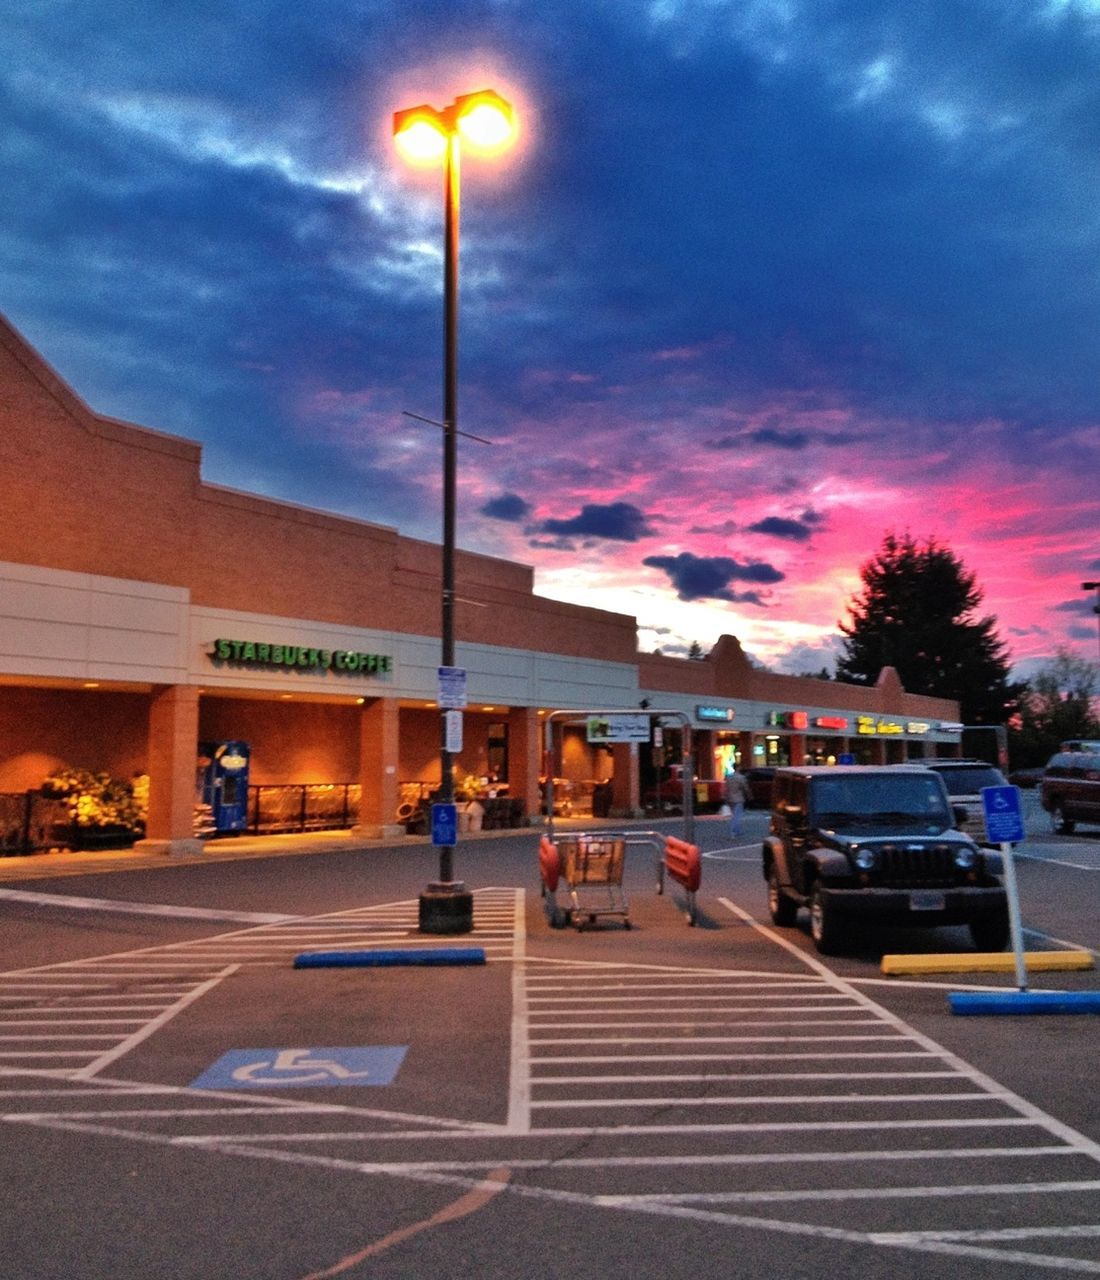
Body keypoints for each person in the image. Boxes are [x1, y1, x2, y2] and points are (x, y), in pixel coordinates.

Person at [724, 765, 752, 839]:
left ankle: (737, 831)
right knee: (737, 816)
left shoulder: (729, 777)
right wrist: (749, 796)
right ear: (738, 768)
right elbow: (745, 788)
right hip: (738, 798)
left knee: (734, 815)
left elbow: (726, 788)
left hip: (730, 798)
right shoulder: (741, 778)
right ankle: (733, 832)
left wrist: (725, 797)